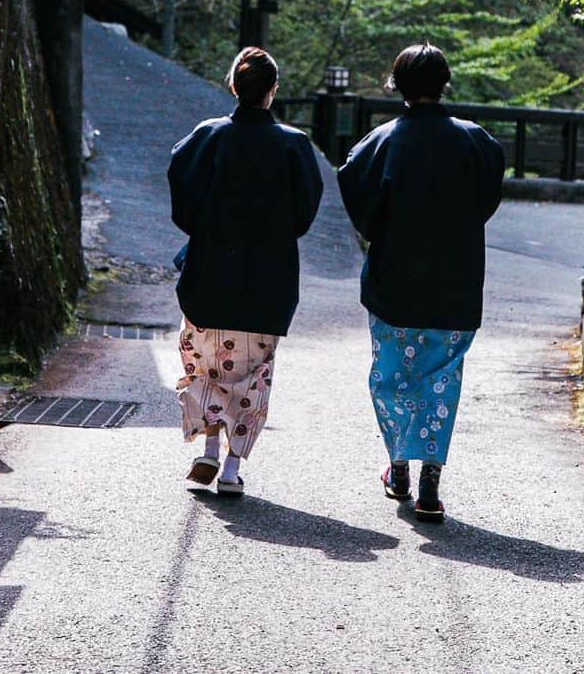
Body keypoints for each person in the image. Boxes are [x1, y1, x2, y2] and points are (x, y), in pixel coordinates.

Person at [337, 42, 504, 523]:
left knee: (389, 377)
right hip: (456, 282)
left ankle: (398, 465)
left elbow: (356, 192)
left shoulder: (381, 142)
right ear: (444, 84)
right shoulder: (476, 142)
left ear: (398, 86)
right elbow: (486, 199)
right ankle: (431, 475)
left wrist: (383, 228)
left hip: (395, 284)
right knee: (440, 382)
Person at [168, 46, 323, 496]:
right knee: (253, 375)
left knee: (206, 367)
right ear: (272, 91)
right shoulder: (294, 145)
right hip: (267, 282)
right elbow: (303, 215)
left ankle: (209, 451)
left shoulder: (207, 137)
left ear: (233, 86)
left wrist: (206, 225)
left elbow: (183, 199)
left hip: (209, 274)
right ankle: (232, 469)